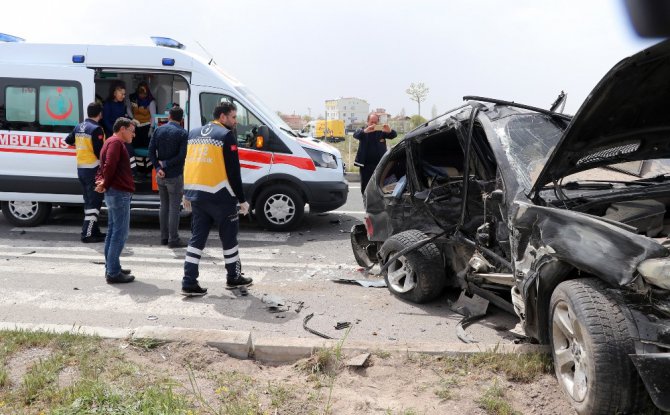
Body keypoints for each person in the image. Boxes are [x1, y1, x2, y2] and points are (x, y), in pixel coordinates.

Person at [180, 102, 251, 296]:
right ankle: (233, 277)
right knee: (229, 239)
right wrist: (242, 199)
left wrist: (186, 192)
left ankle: (188, 282)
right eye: (233, 117)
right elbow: (233, 172)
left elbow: (188, 164)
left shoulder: (194, 133)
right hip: (221, 196)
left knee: (197, 240)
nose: (235, 121)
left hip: (197, 195)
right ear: (222, 117)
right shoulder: (226, 136)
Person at [95, 117, 136, 284]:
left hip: (114, 191)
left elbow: (102, 167)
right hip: (119, 193)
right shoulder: (116, 143)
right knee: (120, 233)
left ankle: (112, 266)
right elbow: (109, 165)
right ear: (122, 129)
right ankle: (112, 272)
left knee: (113, 232)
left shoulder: (109, 142)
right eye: (132, 131)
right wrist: (105, 182)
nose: (133, 134)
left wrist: (102, 182)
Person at [65, 102, 107, 243]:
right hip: (93, 170)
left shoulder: (79, 126)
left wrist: (81, 147)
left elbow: (68, 140)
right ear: (100, 113)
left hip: (81, 169)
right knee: (94, 202)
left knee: (90, 201)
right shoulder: (96, 129)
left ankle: (94, 231)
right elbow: (99, 152)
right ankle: (87, 234)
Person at [148, 106, 188, 248]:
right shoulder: (183, 133)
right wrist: (165, 164)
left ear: (169, 116)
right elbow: (182, 156)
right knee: (174, 208)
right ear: (181, 119)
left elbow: (151, 152)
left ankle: (164, 238)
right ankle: (173, 240)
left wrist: (158, 167)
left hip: (160, 176)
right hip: (175, 176)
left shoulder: (159, 130)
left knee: (163, 206)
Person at [353, 113, 397, 194]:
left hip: (380, 164)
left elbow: (393, 135)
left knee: (379, 185)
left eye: (375, 122)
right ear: (367, 122)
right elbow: (356, 135)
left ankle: (379, 204)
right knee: (365, 186)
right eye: (371, 122)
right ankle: (366, 204)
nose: (373, 124)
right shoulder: (363, 131)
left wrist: (389, 130)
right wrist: (365, 131)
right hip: (366, 165)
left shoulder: (381, 131)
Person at [102, 83, 138, 178]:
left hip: (122, 133)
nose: (123, 96)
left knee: (130, 151)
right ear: (114, 93)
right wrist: (116, 132)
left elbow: (123, 118)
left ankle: (132, 173)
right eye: (121, 94)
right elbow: (106, 121)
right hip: (112, 134)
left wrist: (131, 122)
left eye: (124, 94)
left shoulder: (122, 104)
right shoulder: (107, 105)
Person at [128, 81, 156, 149]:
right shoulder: (134, 99)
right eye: (140, 94)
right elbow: (129, 109)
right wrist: (132, 118)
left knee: (147, 145)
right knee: (135, 145)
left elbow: (153, 116)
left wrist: (151, 128)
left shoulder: (150, 101)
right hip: (136, 125)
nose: (142, 95)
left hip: (146, 127)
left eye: (144, 94)